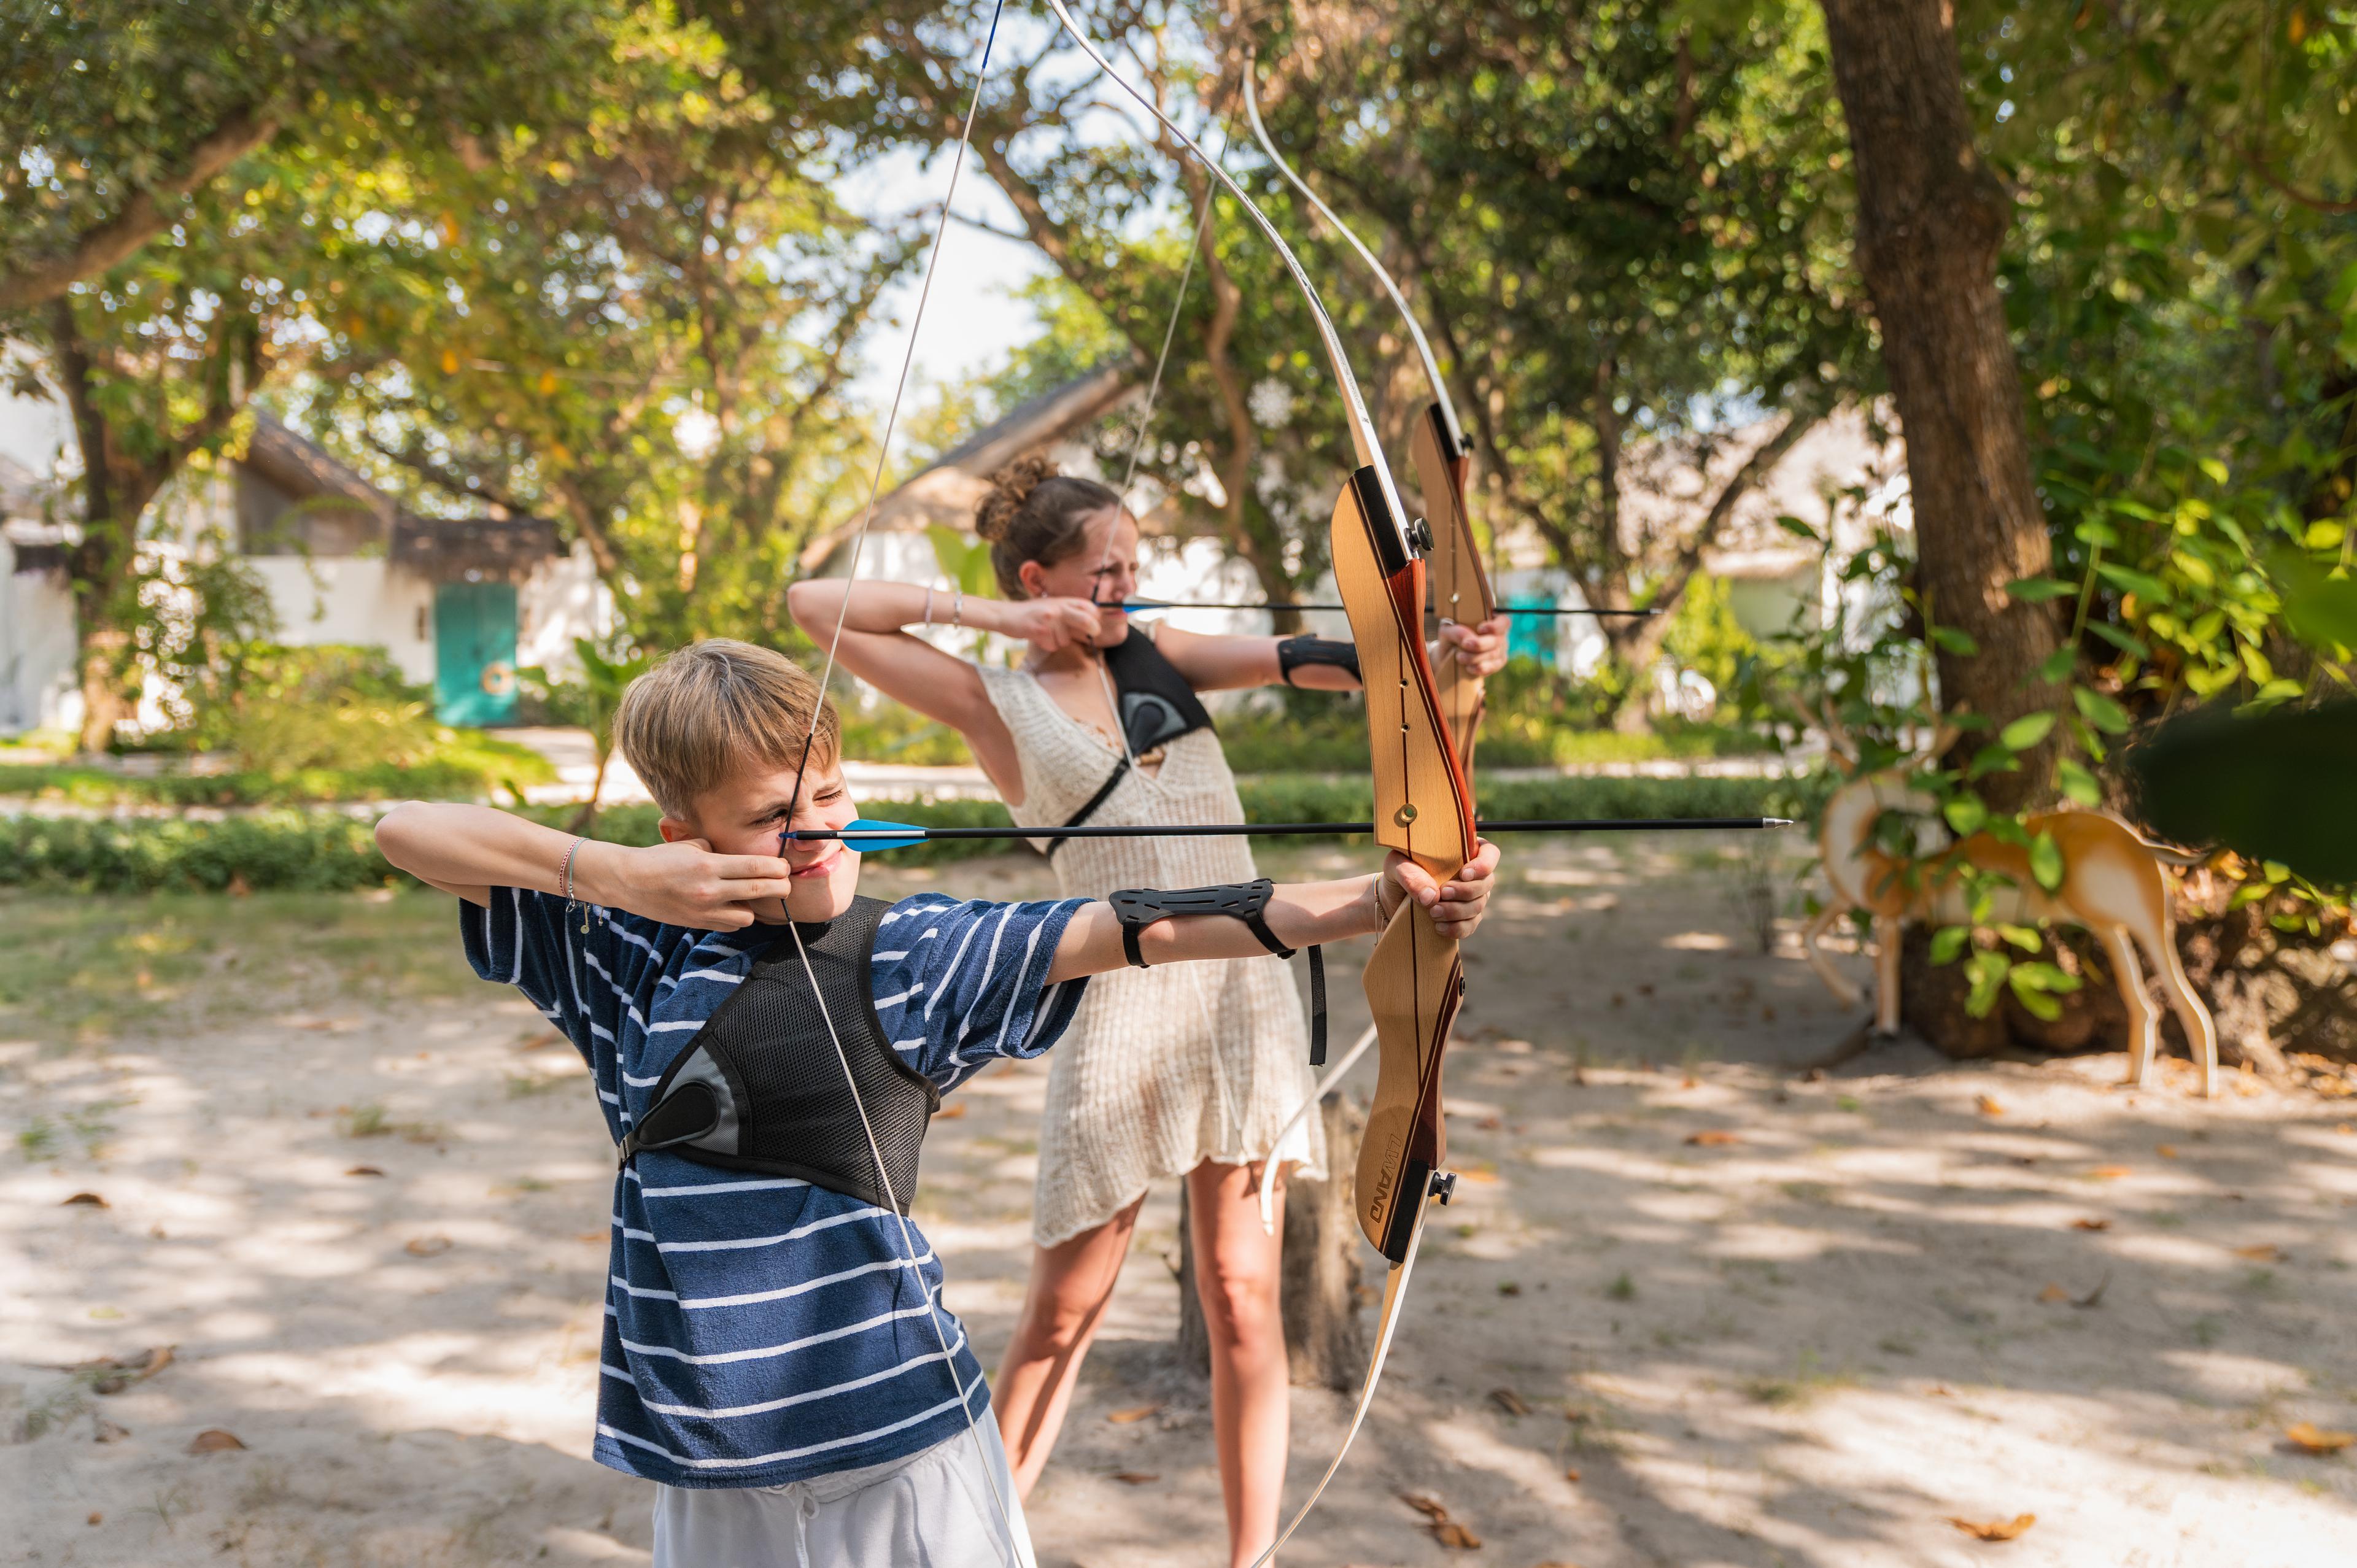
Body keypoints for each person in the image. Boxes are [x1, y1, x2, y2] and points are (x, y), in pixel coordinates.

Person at [372, 638, 1501, 1568]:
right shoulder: (627, 958)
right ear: (687, 838)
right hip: (711, 1460)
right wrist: (610, 876)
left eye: (833, 793)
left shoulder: (909, 955)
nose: (822, 830)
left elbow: (1133, 925)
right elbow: (405, 831)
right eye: (775, 815)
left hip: (902, 1444)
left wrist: (1368, 903)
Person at [784, 458, 1507, 1564]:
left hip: (1245, 998)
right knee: (1063, 1312)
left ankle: (1247, 1557)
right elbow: (816, 611)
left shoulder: (1159, 652)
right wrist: (995, 617)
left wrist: (1445, 652)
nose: (1126, 584)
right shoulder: (995, 697)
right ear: (1042, 577)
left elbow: (1346, 660)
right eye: (1104, 568)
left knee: (1240, 1293)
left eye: (1135, 564)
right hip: (1117, 1004)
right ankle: (982, 1543)